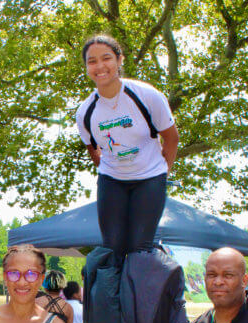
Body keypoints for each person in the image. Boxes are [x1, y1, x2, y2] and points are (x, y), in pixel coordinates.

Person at [76, 35, 179, 257]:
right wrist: (108, 165)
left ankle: (141, 289)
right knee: (112, 248)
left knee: (139, 248)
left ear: (119, 60)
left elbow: (171, 138)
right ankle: (112, 290)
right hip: (112, 181)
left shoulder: (147, 96)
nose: (100, 66)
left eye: (106, 58)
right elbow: (92, 148)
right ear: (86, 67)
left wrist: (162, 173)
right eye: (92, 61)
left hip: (150, 179)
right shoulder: (85, 112)